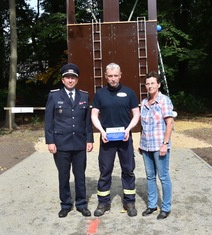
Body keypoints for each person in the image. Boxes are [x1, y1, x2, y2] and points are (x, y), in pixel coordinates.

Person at [44, 63, 94, 218]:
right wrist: (50, 141)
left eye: (73, 78)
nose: (70, 80)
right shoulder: (54, 96)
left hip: (79, 143)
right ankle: (65, 204)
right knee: (63, 175)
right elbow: (48, 121)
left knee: (80, 175)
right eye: (67, 77)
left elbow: (87, 122)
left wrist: (89, 139)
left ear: (77, 80)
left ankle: (81, 204)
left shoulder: (84, 96)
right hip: (61, 144)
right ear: (62, 79)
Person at [91, 62, 140, 217]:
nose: (113, 79)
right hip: (107, 139)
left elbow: (136, 114)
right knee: (105, 171)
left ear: (120, 75)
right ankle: (103, 203)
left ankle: (129, 201)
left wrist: (128, 130)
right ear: (106, 76)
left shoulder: (129, 93)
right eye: (110, 76)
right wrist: (101, 131)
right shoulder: (100, 94)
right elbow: (94, 115)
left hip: (125, 138)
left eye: (115, 75)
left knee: (128, 170)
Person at [139, 71, 174, 220]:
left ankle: (166, 207)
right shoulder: (144, 103)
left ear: (158, 84)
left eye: (153, 83)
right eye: (147, 83)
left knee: (163, 177)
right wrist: (141, 143)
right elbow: (143, 126)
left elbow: (170, 123)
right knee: (150, 177)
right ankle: (152, 205)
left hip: (160, 146)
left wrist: (165, 144)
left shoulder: (164, 100)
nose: (150, 86)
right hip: (146, 146)